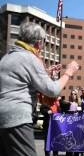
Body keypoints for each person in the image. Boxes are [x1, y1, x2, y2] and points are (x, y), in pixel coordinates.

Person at [0, 22, 79, 156]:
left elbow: (22, 79)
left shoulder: (7, 57)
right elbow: (52, 90)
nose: (43, 45)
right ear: (37, 42)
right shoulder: (30, 58)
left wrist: (46, 73)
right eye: (43, 42)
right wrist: (68, 72)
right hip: (17, 117)